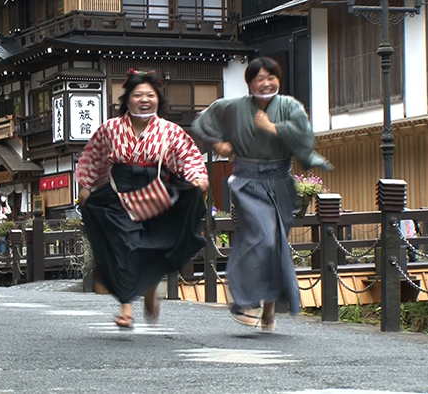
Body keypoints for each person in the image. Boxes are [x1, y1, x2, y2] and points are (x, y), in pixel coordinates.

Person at [191, 56, 334, 332]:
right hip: (247, 182)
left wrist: (274, 128)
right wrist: (219, 143)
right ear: (249, 83)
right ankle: (246, 302)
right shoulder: (233, 107)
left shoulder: (291, 106)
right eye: (259, 78)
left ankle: (269, 306)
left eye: (272, 77)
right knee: (262, 237)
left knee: (276, 242)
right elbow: (203, 120)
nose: (266, 83)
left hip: (280, 182)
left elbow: (305, 138)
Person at [76, 69, 209, 328]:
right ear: (127, 100)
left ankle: (149, 287)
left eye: (150, 95)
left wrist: (196, 178)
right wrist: (87, 185)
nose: (144, 99)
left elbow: (188, 157)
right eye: (138, 95)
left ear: (158, 98)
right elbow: (93, 156)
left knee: (154, 245)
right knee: (124, 245)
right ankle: (126, 307)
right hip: (119, 194)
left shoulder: (170, 131)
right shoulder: (110, 129)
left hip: (157, 194)